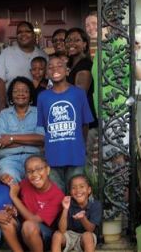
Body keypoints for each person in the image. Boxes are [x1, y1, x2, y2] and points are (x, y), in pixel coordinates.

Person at [37, 56, 94, 193]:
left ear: (67, 71)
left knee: (76, 193)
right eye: (50, 67)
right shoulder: (43, 97)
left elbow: (85, 124)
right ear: (46, 74)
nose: (55, 69)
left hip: (75, 154)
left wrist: (81, 146)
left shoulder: (79, 94)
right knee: (57, 194)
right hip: (53, 156)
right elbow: (44, 126)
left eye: (59, 65)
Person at [2, 155, 64, 251]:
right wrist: (5, 179)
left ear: (48, 170)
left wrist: (14, 198)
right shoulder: (24, 184)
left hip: (44, 237)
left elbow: (33, 219)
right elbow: (13, 190)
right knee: (5, 219)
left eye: (39, 169)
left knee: (29, 225)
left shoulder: (57, 195)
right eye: (30, 171)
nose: (35, 174)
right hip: (24, 232)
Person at [0, 77, 45, 183]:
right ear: (11, 95)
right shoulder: (4, 114)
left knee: (37, 180)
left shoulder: (39, 113)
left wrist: (12, 138)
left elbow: (42, 139)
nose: (20, 94)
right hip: (9, 160)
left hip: (34, 158)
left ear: (30, 94)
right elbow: (1, 142)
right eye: (16, 91)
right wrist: (31, 140)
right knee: (9, 179)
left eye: (25, 91)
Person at [0, 21, 48, 112]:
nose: (23, 34)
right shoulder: (7, 53)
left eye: (27, 31)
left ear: (33, 34)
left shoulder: (42, 55)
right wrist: (2, 103)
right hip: (12, 107)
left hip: (37, 107)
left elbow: (48, 81)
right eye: (19, 32)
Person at [51, 174, 102, 252]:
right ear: (70, 192)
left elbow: (90, 229)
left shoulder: (95, 204)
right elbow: (62, 230)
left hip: (85, 236)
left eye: (82, 186)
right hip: (69, 235)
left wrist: (82, 218)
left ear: (89, 190)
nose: (78, 190)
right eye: (74, 188)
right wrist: (65, 209)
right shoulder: (67, 203)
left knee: (87, 236)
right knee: (56, 235)